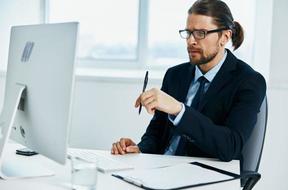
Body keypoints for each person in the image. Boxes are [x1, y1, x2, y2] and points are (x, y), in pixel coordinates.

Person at [111, 0, 266, 161]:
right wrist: (140, 149)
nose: (191, 41)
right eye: (188, 32)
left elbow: (230, 147)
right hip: (160, 170)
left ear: (224, 37)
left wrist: (179, 110)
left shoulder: (249, 81)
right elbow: (156, 133)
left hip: (204, 177)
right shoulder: (175, 75)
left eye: (201, 33)